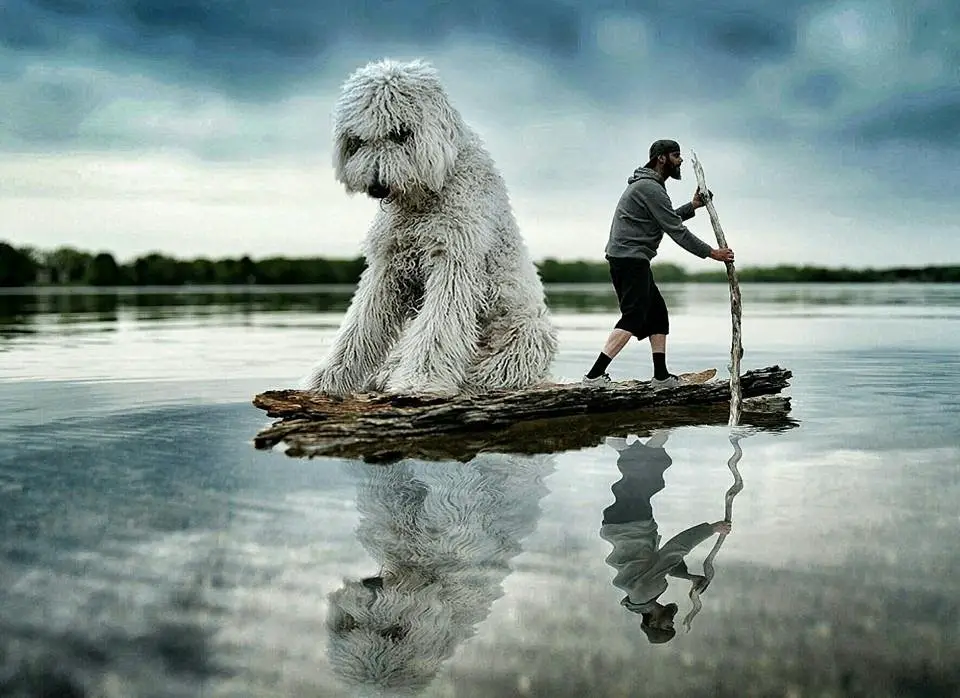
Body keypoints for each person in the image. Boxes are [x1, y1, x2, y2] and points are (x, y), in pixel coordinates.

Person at [583, 140, 735, 388]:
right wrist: (712, 253)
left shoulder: (651, 187)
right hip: (629, 259)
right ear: (661, 158)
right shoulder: (649, 187)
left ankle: (661, 377)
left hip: (631, 258)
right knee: (633, 317)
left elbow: (664, 218)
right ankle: (594, 377)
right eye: (676, 156)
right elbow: (676, 230)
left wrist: (694, 205)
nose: (681, 161)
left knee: (657, 315)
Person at [600, 432, 731, 643]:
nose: (671, 623)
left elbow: (673, 551)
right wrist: (689, 577)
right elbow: (663, 566)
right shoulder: (640, 597)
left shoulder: (647, 593)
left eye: (667, 627)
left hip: (632, 526)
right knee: (646, 482)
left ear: (652, 624)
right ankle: (634, 443)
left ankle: (623, 442)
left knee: (643, 479)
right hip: (619, 526)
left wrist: (712, 528)